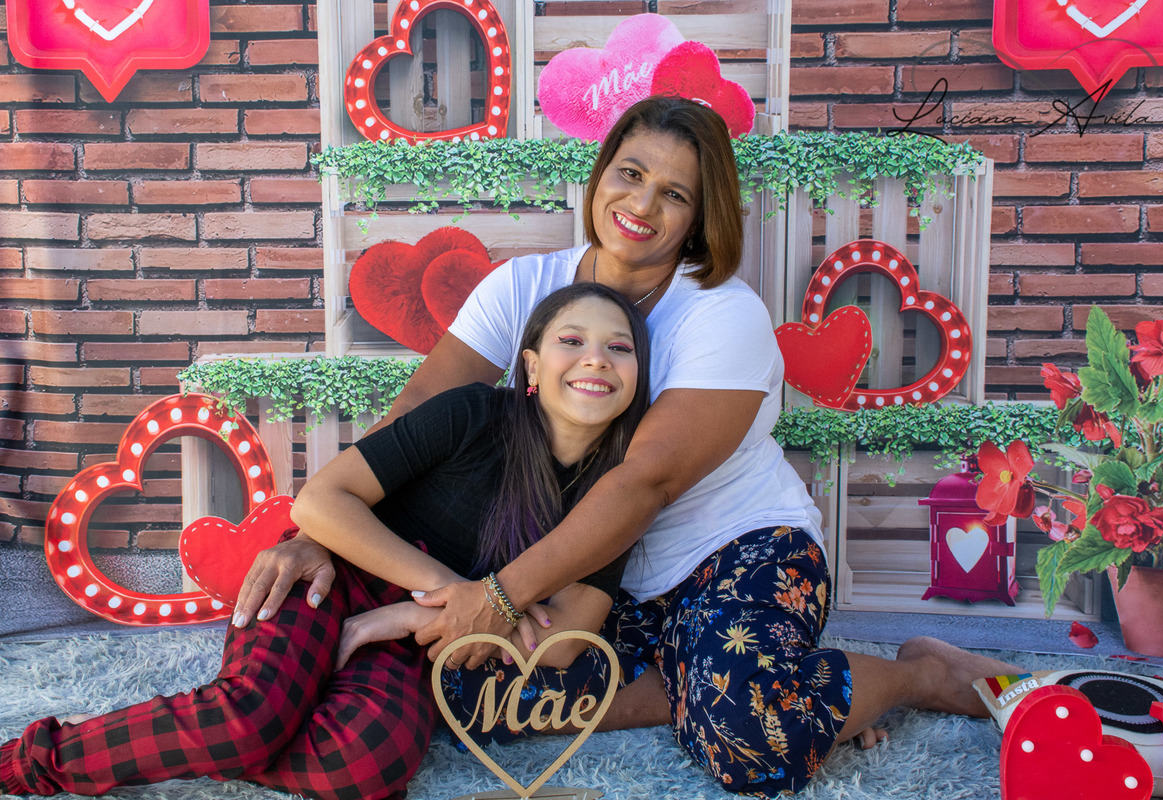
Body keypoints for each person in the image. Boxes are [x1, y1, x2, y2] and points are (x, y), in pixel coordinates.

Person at [233, 95, 1018, 795]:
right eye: (630, 174)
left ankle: (915, 675)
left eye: (674, 194)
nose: (641, 204)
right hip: (597, 575)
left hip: (737, 550)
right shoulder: (522, 287)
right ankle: (770, 690)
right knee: (467, 688)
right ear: (600, 172)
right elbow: (417, 409)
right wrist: (315, 535)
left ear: (701, 216)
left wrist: (497, 598)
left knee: (750, 746)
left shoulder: (722, 315)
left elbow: (645, 481)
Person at [0, 283, 653, 800]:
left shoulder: (614, 495)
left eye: (618, 348)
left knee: (367, 763)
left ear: (638, 377)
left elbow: (566, 638)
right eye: (572, 340)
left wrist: (407, 616)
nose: (596, 358)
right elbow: (322, 502)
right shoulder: (473, 413)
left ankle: (171, 742)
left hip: (409, 642)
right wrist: (452, 595)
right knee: (247, 720)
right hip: (326, 575)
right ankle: (33, 760)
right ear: (531, 364)